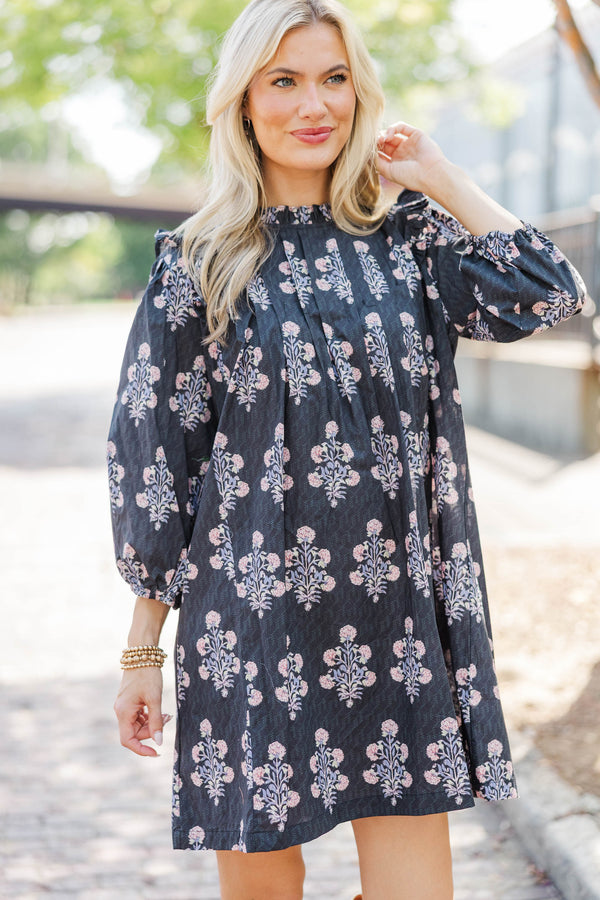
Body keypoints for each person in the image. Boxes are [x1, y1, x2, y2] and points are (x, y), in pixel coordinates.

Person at [107, 1, 586, 897]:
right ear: (243, 102)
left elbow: (549, 294)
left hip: (400, 620)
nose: (313, 104)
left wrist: (444, 178)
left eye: (335, 79)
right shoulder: (198, 259)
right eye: (284, 81)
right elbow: (154, 464)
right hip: (253, 622)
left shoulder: (412, 238)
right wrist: (143, 651)